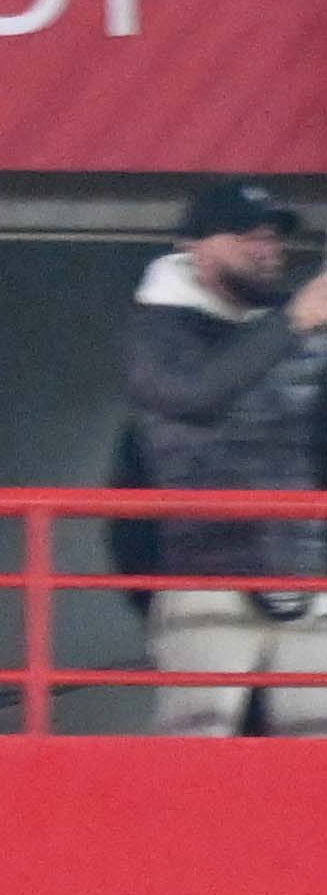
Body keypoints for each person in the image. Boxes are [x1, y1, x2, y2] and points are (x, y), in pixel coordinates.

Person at [119, 188, 327, 735]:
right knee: (196, 753)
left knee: (313, 761)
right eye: (245, 234)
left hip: (308, 579)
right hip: (204, 581)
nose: (267, 247)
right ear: (193, 247)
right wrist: (295, 320)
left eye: (273, 234)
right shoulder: (156, 333)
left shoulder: (303, 328)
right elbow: (196, 398)